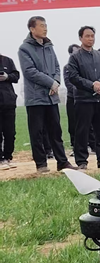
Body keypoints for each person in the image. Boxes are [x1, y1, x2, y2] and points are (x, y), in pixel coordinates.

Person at [18, 16, 75, 173]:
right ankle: (41, 164)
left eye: (45, 25)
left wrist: (56, 82)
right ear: (32, 29)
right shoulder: (24, 49)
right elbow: (30, 71)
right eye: (41, 26)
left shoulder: (49, 46)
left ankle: (62, 162)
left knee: (56, 130)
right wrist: (51, 83)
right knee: (37, 132)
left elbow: (56, 67)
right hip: (35, 98)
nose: (45, 28)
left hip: (51, 97)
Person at [67, 26, 100, 170]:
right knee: (82, 131)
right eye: (87, 36)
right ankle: (81, 160)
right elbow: (73, 77)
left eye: (92, 36)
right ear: (80, 38)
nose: (90, 39)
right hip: (83, 99)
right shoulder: (75, 57)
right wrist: (91, 85)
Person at [0, 51, 19, 169]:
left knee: (10, 133)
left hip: (8, 102)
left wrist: (7, 77)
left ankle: (8, 157)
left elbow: (16, 76)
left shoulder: (7, 60)